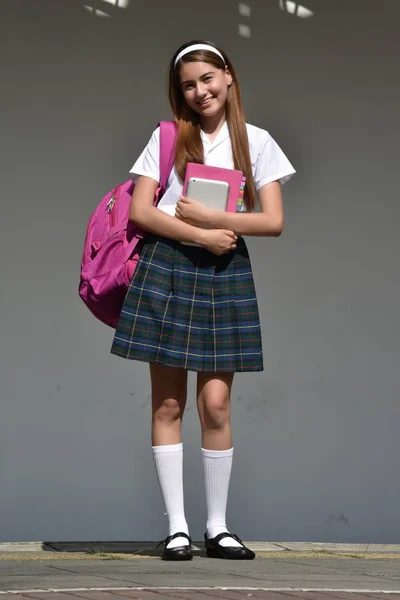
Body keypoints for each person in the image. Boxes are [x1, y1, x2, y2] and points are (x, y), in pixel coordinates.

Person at [111, 40, 295, 561]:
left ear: (229, 76)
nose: (200, 91)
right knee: (168, 401)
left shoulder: (257, 141)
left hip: (225, 269)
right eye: (188, 84)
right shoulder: (167, 137)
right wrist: (198, 236)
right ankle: (177, 527)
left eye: (207, 79)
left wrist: (215, 224)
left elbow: (274, 221)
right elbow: (141, 213)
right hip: (167, 266)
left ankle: (217, 526)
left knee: (215, 403)